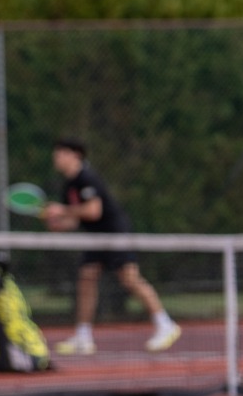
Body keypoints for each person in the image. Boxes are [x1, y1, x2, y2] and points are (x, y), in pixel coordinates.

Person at [41, 138, 179, 354]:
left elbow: (93, 210)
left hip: (114, 234)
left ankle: (166, 324)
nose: (56, 158)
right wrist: (56, 223)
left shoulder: (87, 177)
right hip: (95, 237)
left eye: (60, 153)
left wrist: (62, 210)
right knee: (86, 278)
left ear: (75, 155)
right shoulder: (68, 186)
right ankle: (83, 336)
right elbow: (74, 220)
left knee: (129, 279)